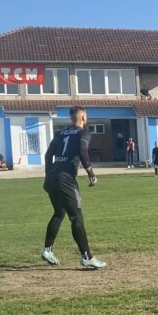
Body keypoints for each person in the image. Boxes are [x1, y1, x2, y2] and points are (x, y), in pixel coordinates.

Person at [40, 106, 105, 269]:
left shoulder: (60, 133)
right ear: (82, 117)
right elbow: (83, 152)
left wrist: (49, 173)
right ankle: (87, 257)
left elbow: (48, 155)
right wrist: (91, 172)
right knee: (76, 217)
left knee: (59, 213)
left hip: (52, 178)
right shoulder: (84, 133)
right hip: (65, 178)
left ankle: (47, 250)